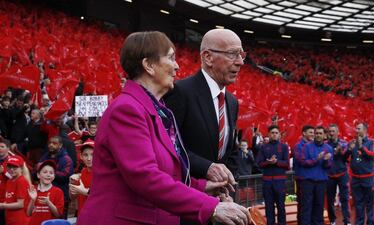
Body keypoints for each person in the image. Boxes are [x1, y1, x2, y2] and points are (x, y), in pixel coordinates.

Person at [77, 31, 250, 225]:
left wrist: (202, 186)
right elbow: (145, 176)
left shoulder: (158, 111)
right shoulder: (127, 110)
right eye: (170, 58)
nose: (177, 66)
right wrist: (210, 207)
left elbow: (169, 172)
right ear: (148, 65)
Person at [165, 28, 245, 189]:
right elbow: (169, 145)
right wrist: (207, 168)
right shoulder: (180, 91)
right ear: (208, 57)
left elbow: (231, 151)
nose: (240, 62)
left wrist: (226, 185)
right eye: (232, 54)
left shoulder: (232, 102)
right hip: (187, 195)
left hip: (220, 198)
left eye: (241, 55)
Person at [298, 126, 333, 225]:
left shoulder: (328, 148)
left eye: (320, 133)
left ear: (324, 135)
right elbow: (303, 162)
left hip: (321, 182)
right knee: (306, 207)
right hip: (307, 181)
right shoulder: (307, 146)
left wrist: (326, 161)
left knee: (319, 206)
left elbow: (329, 166)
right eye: (316, 133)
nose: (318, 135)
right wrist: (316, 159)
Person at [257, 125, 289, 225]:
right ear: (268, 134)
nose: (274, 134)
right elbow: (259, 163)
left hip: (280, 182)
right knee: (269, 207)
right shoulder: (263, 147)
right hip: (267, 182)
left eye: (276, 133)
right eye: (272, 133)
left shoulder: (284, 147)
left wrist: (276, 162)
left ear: (279, 135)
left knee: (281, 206)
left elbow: (287, 164)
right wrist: (268, 162)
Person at [347, 123, 374, 225]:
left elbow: (372, 155)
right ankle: (359, 223)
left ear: (365, 130)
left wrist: (361, 147)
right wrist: (349, 150)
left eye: (358, 128)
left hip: (368, 178)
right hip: (355, 179)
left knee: (370, 204)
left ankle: (370, 223)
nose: (356, 130)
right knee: (358, 204)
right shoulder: (352, 143)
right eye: (355, 128)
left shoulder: (372, 142)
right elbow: (347, 159)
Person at [38, 136, 73, 218]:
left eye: (54, 143)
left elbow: (65, 175)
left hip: (61, 195)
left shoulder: (67, 159)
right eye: (49, 143)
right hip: (44, 194)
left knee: (59, 220)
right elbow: (36, 171)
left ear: (60, 145)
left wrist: (48, 173)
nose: (51, 145)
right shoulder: (44, 157)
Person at [326, 124, 350, 225]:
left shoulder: (344, 143)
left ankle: (347, 221)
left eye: (333, 131)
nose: (331, 133)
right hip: (329, 175)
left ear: (337, 132)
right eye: (330, 131)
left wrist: (343, 152)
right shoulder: (325, 144)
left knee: (344, 198)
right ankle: (332, 220)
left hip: (342, 174)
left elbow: (347, 159)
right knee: (330, 199)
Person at [27, 160, 64, 225]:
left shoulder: (58, 191)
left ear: (54, 176)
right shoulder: (33, 190)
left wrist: (48, 203)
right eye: (45, 172)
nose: (48, 175)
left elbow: (58, 214)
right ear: (38, 175)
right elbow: (28, 213)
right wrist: (32, 200)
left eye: (51, 173)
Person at [292, 125, 314, 225]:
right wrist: (316, 159)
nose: (313, 134)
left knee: (312, 204)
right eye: (310, 132)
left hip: (312, 179)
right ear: (304, 133)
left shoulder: (314, 145)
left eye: (313, 132)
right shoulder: (298, 146)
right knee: (303, 204)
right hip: (302, 179)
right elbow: (302, 160)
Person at [1, 156, 30, 225]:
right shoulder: (9, 181)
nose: (11, 169)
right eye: (9, 167)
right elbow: (9, 199)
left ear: (21, 169)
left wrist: (2, 205)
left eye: (15, 167)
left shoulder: (21, 181)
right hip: (10, 219)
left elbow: (21, 204)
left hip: (19, 220)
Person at [69, 139, 94, 215]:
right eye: (85, 155)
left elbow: (104, 197)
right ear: (81, 156)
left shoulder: (103, 174)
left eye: (93, 154)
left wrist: (84, 191)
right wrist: (72, 184)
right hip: (82, 215)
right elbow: (72, 197)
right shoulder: (82, 172)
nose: (89, 158)